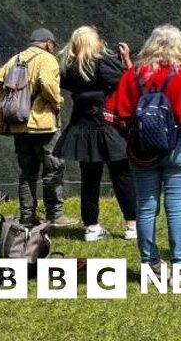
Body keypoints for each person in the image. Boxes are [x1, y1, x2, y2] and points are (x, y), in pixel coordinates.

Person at [105, 25, 181, 267]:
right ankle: (180, 264)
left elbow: (111, 114)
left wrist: (130, 133)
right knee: (176, 206)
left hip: (141, 151)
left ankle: (149, 264)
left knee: (146, 206)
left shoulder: (133, 75)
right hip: (179, 146)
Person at [0, 28, 77, 227]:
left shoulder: (16, 58)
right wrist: (57, 102)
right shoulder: (47, 59)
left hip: (19, 124)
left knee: (27, 172)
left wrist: (11, 102)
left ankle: (27, 216)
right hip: (44, 125)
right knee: (53, 168)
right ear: (49, 44)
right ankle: (55, 215)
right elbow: (47, 83)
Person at [55, 27, 137, 241]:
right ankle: (132, 225)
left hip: (81, 127)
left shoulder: (69, 68)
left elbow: (64, 83)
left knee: (89, 179)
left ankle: (91, 227)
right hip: (107, 125)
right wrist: (125, 58)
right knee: (122, 175)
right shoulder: (102, 63)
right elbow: (128, 82)